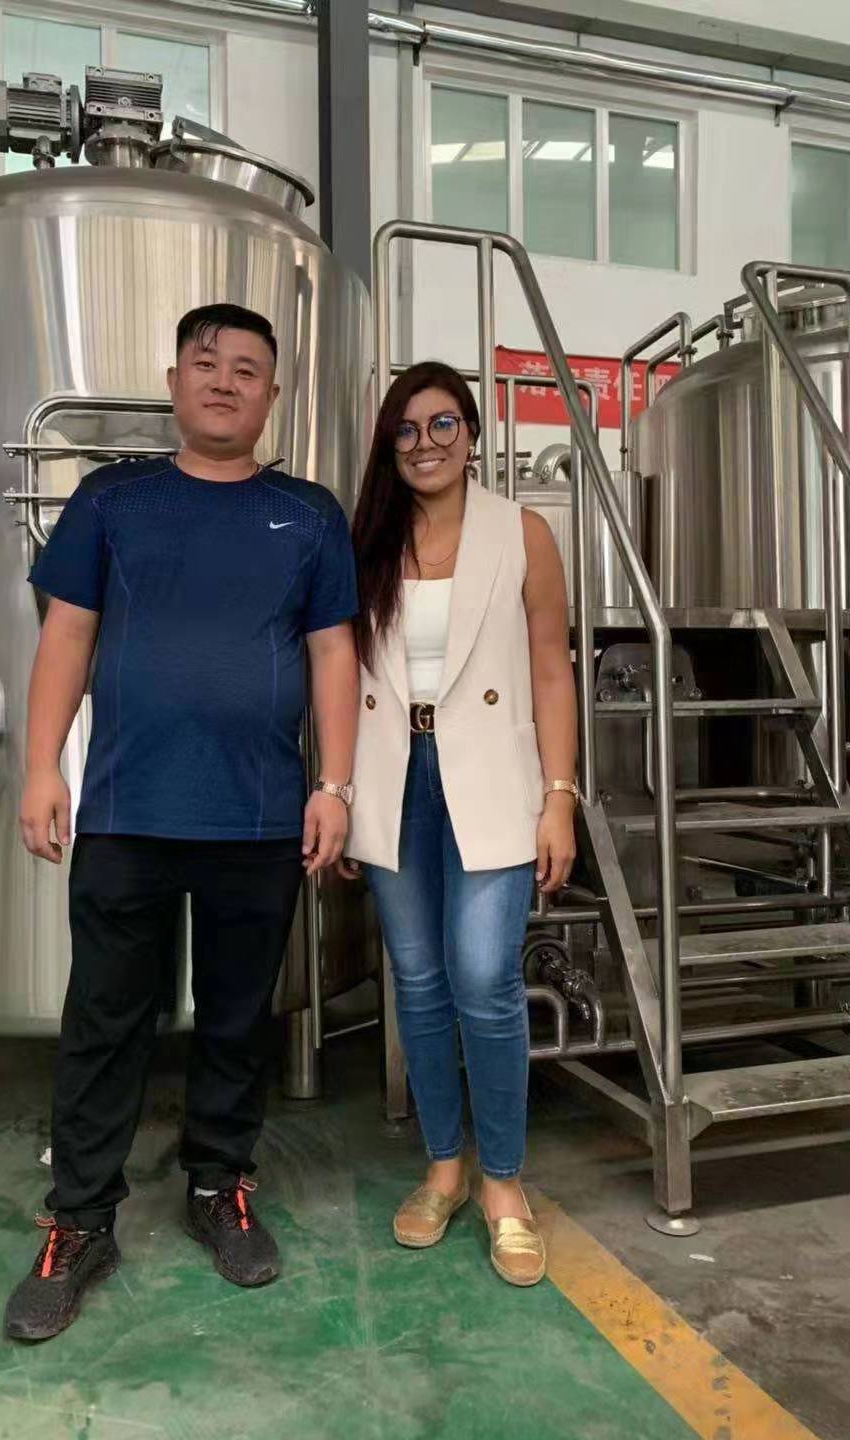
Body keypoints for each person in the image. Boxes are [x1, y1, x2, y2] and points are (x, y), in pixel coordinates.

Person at [4, 303, 360, 1341]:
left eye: (248, 369)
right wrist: (41, 767)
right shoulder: (114, 500)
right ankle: (81, 1220)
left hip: (260, 817)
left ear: (272, 396)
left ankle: (219, 1185)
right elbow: (66, 636)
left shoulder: (308, 515)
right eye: (207, 363)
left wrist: (334, 785)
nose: (224, 381)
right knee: (105, 1019)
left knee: (240, 1017)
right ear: (174, 382)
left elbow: (334, 653)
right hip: (129, 811)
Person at [340, 360, 577, 1287]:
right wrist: (340, 792)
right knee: (420, 981)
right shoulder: (367, 538)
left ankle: (504, 1184)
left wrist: (559, 794)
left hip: (492, 777)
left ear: (472, 434)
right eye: (406, 429)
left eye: (443, 424)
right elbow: (337, 671)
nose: (425, 443)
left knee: (484, 979)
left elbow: (551, 669)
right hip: (392, 776)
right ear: (389, 446)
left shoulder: (522, 532)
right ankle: (444, 1167)